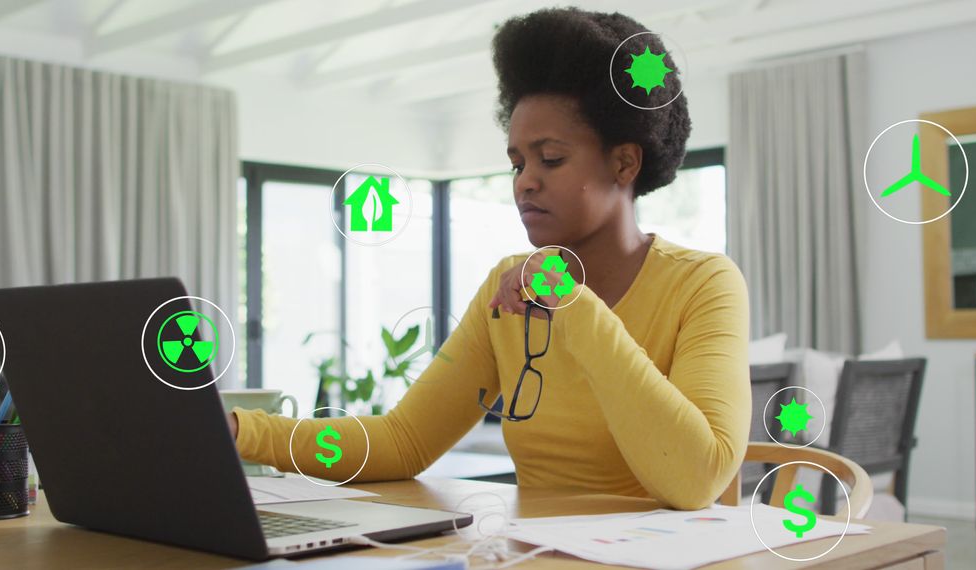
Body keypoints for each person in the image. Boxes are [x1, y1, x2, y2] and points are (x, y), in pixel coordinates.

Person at [228, 7, 750, 510]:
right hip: (538, 555)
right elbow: (404, 440)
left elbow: (696, 478)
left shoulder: (704, 284)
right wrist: (240, 431)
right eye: (517, 163)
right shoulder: (507, 291)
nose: (525, 181)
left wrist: (571, 301)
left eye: (550, 159)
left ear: (624, 162)